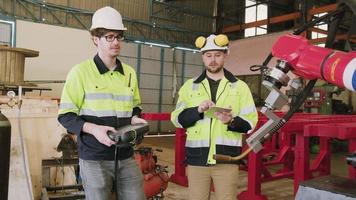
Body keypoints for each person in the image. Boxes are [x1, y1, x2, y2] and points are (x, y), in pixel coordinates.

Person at [58, 6, 146, 200]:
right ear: (95, 39)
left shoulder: (130, 73)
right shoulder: (80, 72)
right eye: (109, 37)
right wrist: (94, 129)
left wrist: (136, 118)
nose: (115, 42)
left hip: (125, 155)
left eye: (118, 37)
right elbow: (66, 116)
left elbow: (135, 106)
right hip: (94, 158)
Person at [171, 34, 258, 200]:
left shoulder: (240, 87)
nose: (213, 60)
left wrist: (231, 121)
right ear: (202, 57)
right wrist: (198, 110)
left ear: (225, 55)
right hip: (197, 159)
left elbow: (250, 123)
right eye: (208, 55)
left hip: (227, 159)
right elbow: (177, 119)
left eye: (217, 55)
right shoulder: (190, 86)